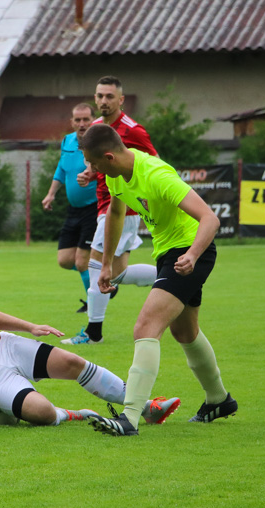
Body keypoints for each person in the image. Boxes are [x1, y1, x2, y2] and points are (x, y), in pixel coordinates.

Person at [79, 124, 238, 436]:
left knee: (145, 326)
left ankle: (129, 418)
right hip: (168, 254)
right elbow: (115, 214)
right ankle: (219, 400)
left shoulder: (155, 174)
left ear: (109, 157)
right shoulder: (116, 176)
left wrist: (192, 255)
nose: (91, 169)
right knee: (185, 330)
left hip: (192, 251)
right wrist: (107, 262)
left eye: (93, 163)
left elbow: (210, 218)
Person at [0, 298, 181, 429]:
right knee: (41, 413)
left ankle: (146, 408)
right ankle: (74, 414)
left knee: (72, 361)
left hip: (3, 347)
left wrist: (30, 327)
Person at [62, 76, 158, 345]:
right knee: (116, 273)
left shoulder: (133, 131)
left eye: (109, 96)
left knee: (95, 265)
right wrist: (88, 175)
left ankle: (94, 334)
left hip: (121, 209)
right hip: (104, 205)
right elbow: (96, 166)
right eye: (100, 96)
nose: (104, 101)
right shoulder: (95, 128)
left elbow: (155, 164)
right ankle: (168, 276)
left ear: (121, 100)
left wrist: (146, 196)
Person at [41, 102, 99, 313]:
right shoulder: (67, 141)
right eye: (78, 120)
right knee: (65, 260)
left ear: (94, 119)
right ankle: (100, 278)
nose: (82, 124)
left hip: (94, 208)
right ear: (72, 122)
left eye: (86, 119)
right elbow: (62, 169)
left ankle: (93, 304)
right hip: (73, 210)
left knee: (82, 262)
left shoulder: (100, 142)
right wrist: (51, 193)